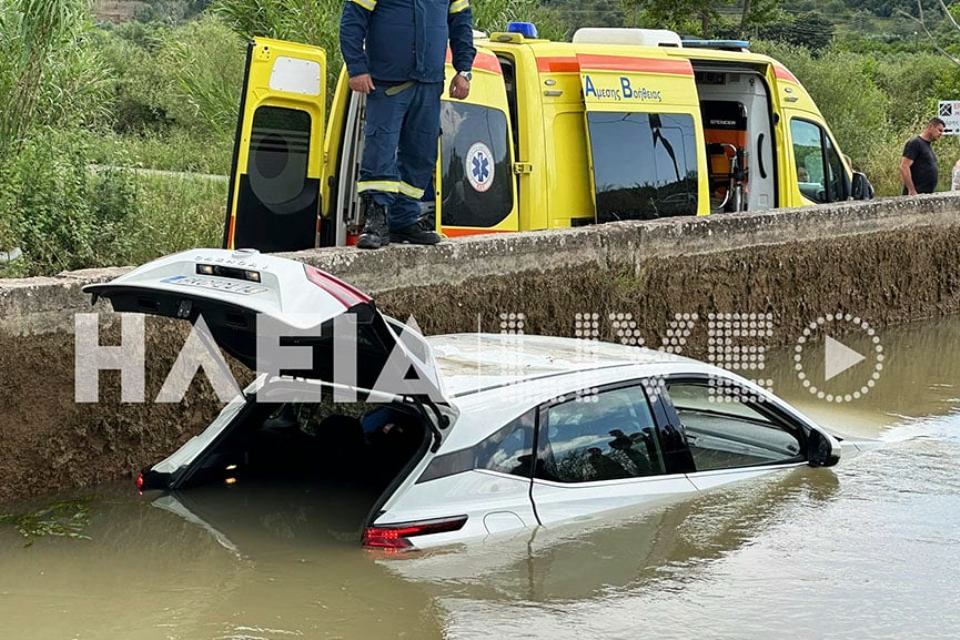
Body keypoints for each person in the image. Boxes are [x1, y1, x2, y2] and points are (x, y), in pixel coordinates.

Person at [340, 0, 476, 249]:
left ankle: (404, 220)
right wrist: (356, 68)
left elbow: (461, 23)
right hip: (387, 81)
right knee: (380, 150)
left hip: (429, 82)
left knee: (421, 154)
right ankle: (377, 220)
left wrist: (464, 69)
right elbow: (352, 20)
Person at [900, 117, 946, 195]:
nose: (941, 134)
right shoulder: (915, 143)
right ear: (931, 127)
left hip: (926, 194)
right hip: (916, 194)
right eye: (939, 130)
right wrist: (911, 190)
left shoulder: (927, 145)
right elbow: (904, 166)